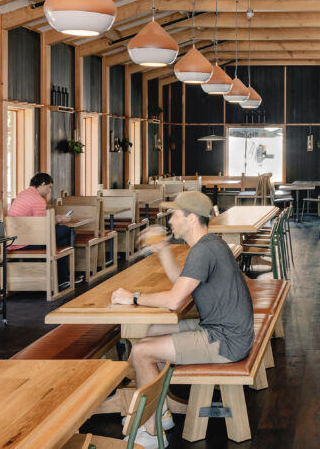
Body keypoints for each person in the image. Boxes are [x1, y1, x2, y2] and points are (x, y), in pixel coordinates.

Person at [111, 191, 253, 448]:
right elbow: (182, 285)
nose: (169, 221)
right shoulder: (209, 245)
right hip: (225, 329)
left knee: (142, 351)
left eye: (174, 215)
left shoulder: (203, 251)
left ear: (190, 219)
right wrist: (164, 249)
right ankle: (161, 411)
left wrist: (133, 297)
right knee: (152, 330)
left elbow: (175, 300)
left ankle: (153, 435)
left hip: (226, 341)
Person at [7, 172, 74, 286]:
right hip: (25, 242)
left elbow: (38, 221)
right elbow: (42, 227)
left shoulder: (23, 193)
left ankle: (63, 278)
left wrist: (56, 218)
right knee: (67, 231)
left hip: (13, 239)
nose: (50, 191)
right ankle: (62, 278)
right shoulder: (38, 199)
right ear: (43, 184)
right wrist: (59, 220)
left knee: (61, 239)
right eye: (49, 187)